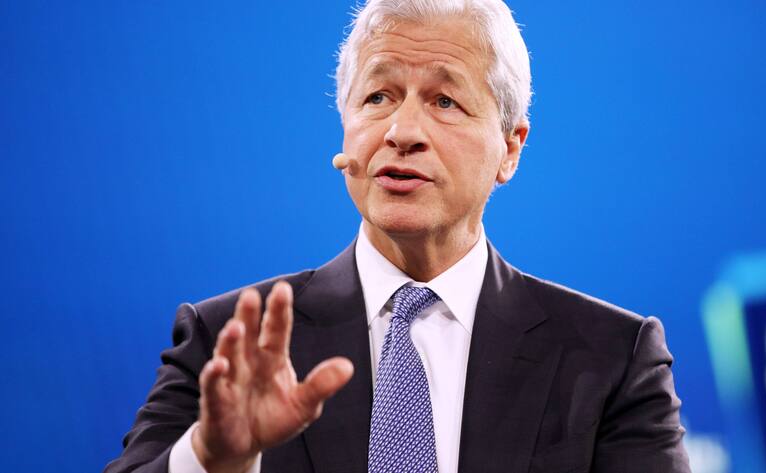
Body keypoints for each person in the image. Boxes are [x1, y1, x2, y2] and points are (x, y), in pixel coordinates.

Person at [105, 1, 691, 472]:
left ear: (510, 147)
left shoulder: (611, 357)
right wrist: (213, 459)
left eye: (444, 100)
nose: (401, 131)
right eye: (377, 97)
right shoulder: (229, 341)